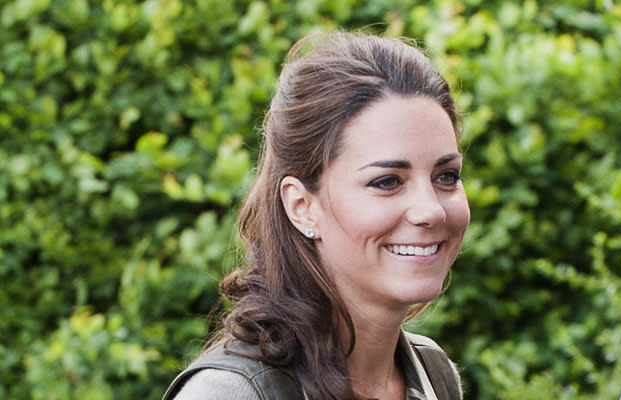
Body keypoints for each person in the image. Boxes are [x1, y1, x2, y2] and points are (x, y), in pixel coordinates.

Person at [162, 31, 470, 400]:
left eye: (446, 176)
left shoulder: (434, 375)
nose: (431, 210)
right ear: (301, 206)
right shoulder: (230, 394)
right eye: (387, 181)